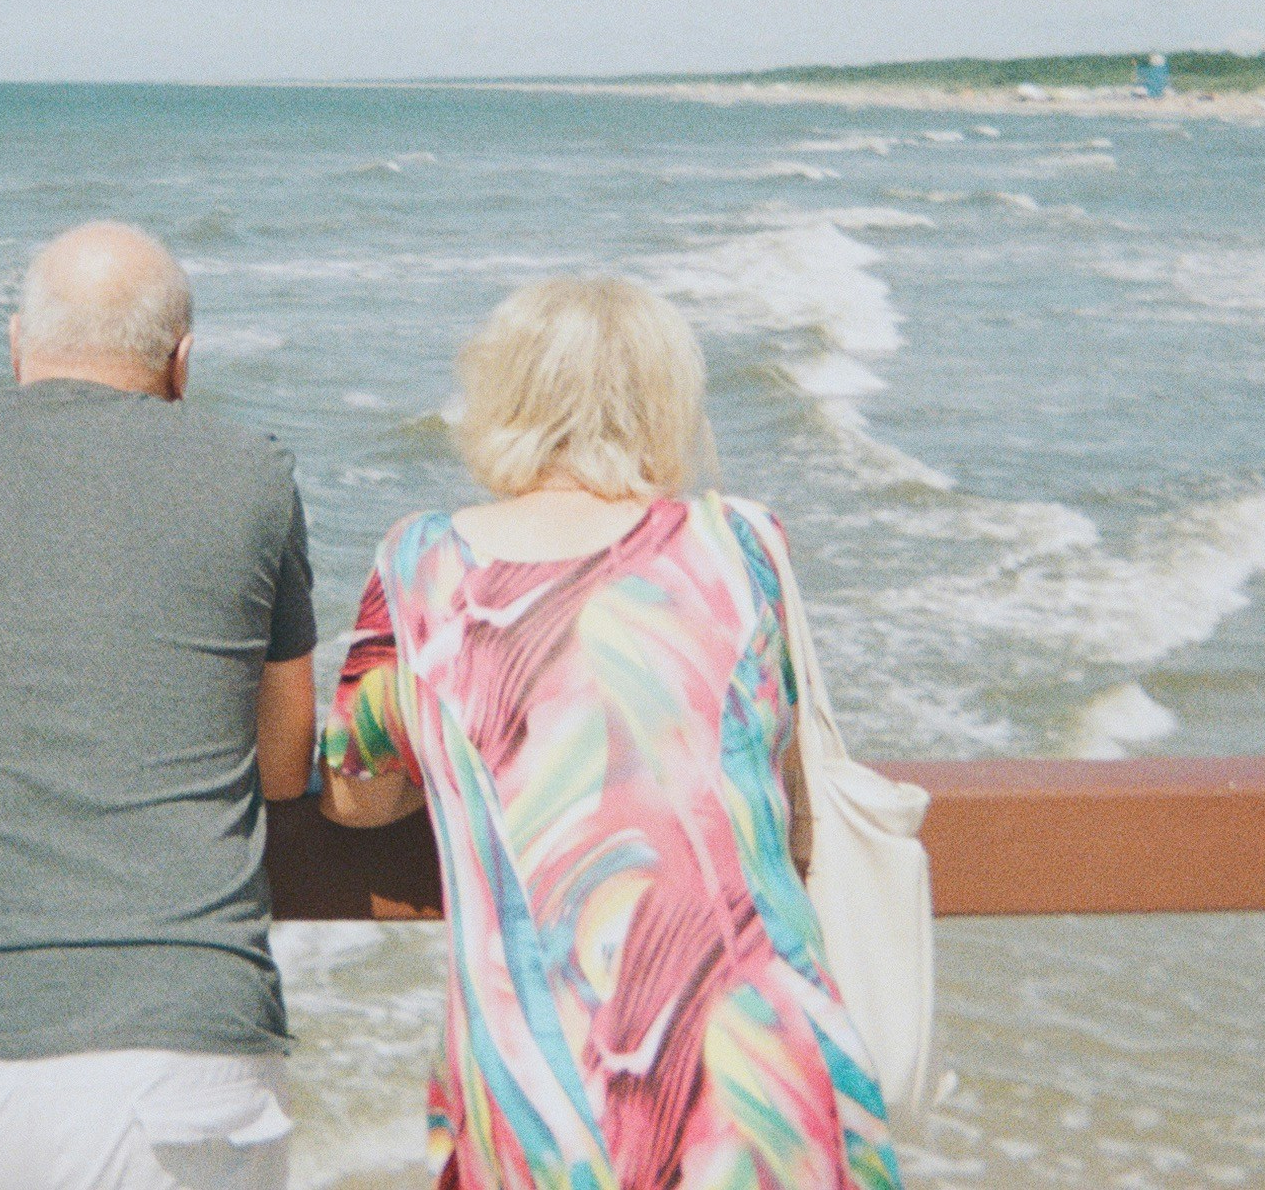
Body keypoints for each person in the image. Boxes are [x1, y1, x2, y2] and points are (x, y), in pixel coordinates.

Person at [319, 276, 899, 1190]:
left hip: (540, 1091)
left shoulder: (422, 561)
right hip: (760, 1064)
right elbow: (770, 771)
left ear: (499, 397)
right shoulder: (741, 542)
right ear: (667, 403)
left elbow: (354, 792)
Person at [0, 221, 318, 1190]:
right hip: (182, 1054)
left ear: (14, 348)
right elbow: (286, 762)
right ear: (182, 363)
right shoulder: (253, 472)